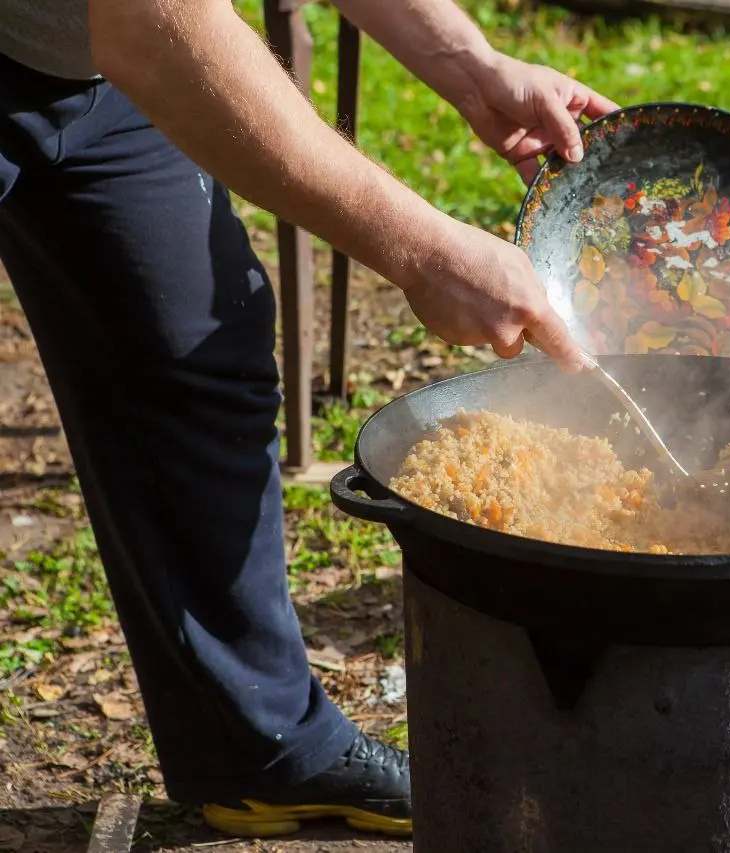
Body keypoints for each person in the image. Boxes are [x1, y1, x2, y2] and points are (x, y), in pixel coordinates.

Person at [0, 0, 616, 839]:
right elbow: (151, 20)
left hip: (84, 63)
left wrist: (470, 63)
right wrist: (426, 251)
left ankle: (262, 754)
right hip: (122, 27)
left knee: (191, 352)